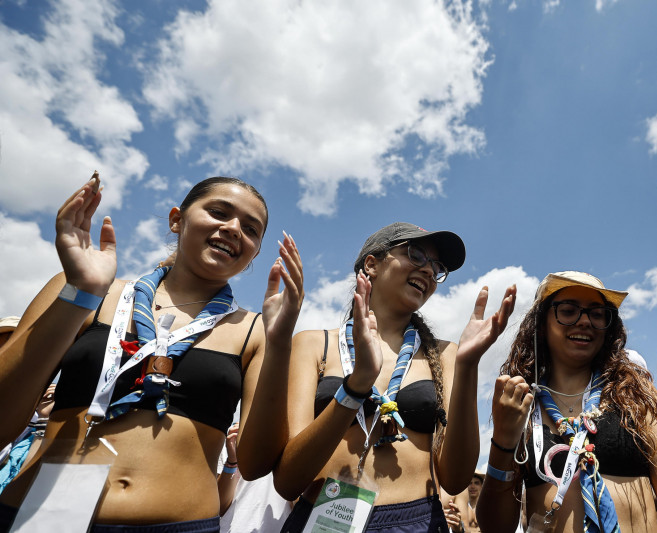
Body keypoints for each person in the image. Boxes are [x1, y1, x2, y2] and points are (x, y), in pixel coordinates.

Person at [0, 172, 304, 532]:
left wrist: (282, 342)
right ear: (177, 219)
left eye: (252, 230)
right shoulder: (88, 287)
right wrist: (80, 293)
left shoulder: (258, 331)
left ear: (253, 253)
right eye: (220, 212)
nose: (235, 228)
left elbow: (255, 465)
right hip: (41, 517)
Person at [240, 222, 516, 532]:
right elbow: (288, 482)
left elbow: (455, 478)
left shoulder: (447, 354)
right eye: (416, 255)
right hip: (325, 518)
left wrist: (468, 365)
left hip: (416, 521)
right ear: (371, 264)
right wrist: (354, 387)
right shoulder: (314, 344)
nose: (428, 270)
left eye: (437, 267)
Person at [477, 271, 657, 533]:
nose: (584, 321)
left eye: (598, 314)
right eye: (567, 311)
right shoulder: (520, 405)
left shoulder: (635, 395)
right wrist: (503, 440)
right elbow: (495, 527)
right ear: (541, 324)